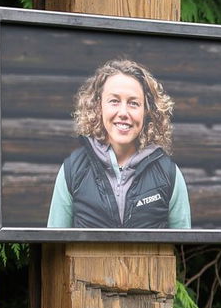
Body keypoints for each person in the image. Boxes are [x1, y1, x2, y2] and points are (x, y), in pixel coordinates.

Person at [47, 58, 191, 229]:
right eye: (114, 101)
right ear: (98, 106)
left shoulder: (169, 174)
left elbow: (181, 245)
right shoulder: (72, 171)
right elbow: (54, 246)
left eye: (133, 103)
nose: (123, 112)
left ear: (147, 111)